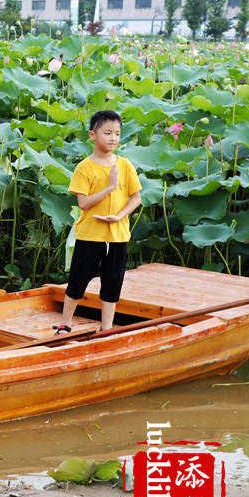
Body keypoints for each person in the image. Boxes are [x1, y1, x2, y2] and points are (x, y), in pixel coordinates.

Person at [56, 109, 142, 333]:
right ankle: (66, 323)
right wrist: (110, 188)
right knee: (78, 279)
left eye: (117, 133)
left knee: (113, 281)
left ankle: (106, 327)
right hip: (90, 235)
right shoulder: (84, 167)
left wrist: (120, 216)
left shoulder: (125, 165)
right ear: (93, 135)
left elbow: (136, 199)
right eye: (107, 133)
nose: (113, 138)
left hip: (117, 235)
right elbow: (83, 203)